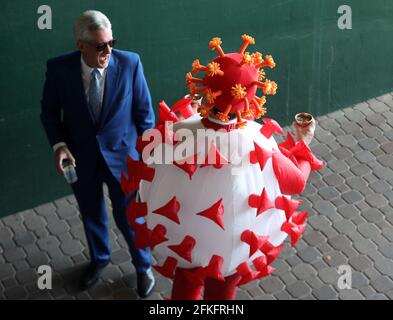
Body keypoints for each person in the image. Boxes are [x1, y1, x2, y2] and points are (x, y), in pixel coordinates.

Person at [40, 10, 156, 298]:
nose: (107, 51)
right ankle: (100, 259)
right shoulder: (58, 69)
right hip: (80, 159)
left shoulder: (130, 63)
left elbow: (145, 116)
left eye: (111, 43)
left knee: (130, 216)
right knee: (91, 214)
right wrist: (59, 145)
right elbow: (49, 112)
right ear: (81, 45)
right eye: (100, 46)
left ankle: (144, 266)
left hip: (123, 158)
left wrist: (146, 160)